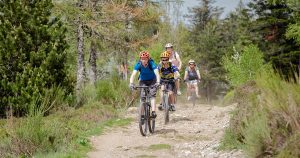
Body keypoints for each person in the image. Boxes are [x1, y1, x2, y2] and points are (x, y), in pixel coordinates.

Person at [129, 51, 160, 118]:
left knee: (152, 95)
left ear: (148, 59)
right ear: (140, 59)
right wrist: (131, 83)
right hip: (143, 81)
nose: (144, 60)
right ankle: (142, 115)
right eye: (142, 58)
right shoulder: (138, 64)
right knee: (142, 97)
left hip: (152, 80)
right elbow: (133, 74)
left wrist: (158, 82)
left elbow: (157, 74)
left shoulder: (151, 64)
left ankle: (153, 112)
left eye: (145, 58)